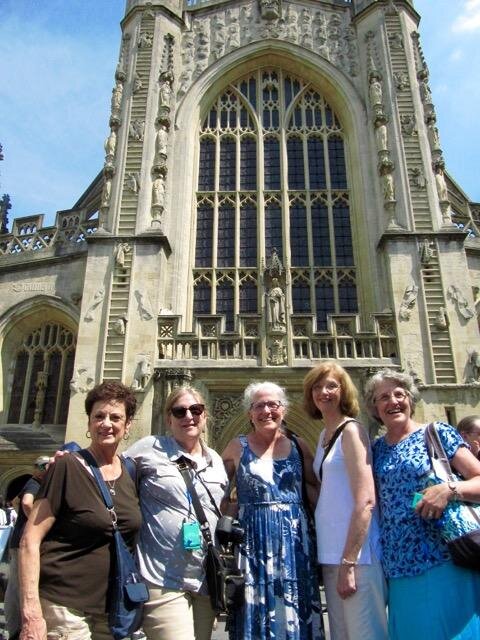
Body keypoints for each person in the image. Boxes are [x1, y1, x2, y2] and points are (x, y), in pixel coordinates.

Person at [19, 382, 142, 640]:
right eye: (99, 416)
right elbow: (30, 540)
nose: (106, 423)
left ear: (128, 425)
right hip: (65, 607)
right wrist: (31, 612)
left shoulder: (132, 472)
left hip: (113, 609)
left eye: (115, 417)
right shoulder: (67, 466)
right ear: (88, 423)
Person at [364, 369, 480, 639]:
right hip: (398, 564)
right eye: (383, 397)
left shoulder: (436, 432)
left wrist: (450, 489)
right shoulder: (377, 449)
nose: (392, 401)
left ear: (411, 400)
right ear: (374, 407)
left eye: (399, 394)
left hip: (443, 556)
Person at [222, 381, 324, 640]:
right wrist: (234, 510)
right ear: (250, 413)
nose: (267, 411)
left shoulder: (299, 445)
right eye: (259, 406)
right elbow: (214, 492)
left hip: (294, 544)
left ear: (283, 410)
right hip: (253, 541)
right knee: (255, 610)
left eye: (273, 404)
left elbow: (317, 490)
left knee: (295, 609)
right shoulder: (237, 446)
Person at [124, 386, 228, 640]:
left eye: (196, 410)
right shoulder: (149, 448)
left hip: (204, 578)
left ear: (205, 416)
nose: (188, 416)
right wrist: (75, 461)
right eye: (179, 411)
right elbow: (111, 474)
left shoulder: (215, 459)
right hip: (161, 576)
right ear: (168, 418)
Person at [303, 362, 387, 640]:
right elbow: (326, 493)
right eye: (317, 386)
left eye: (331, 386)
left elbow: (366, 500)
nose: (323, 392)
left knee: (365, 634)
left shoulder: (351, 430)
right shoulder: (324, 437)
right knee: (340, 634)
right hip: (331, 554)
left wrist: (349, 562)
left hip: (356, 558)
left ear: (344, 391)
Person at [5, 456, 50, 640]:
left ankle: (14, 625)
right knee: (19, 585)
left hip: (20, 539)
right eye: (46, 467)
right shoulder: (34, 483)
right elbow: (24, 502)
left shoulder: (31, 483)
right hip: (24, 542)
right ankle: (15, 628)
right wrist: (35, 521)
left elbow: (16, 501)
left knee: (17, 585)